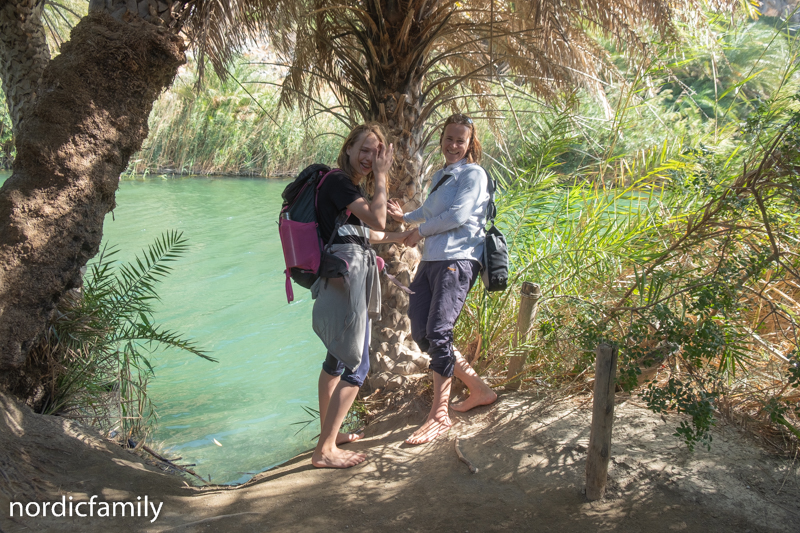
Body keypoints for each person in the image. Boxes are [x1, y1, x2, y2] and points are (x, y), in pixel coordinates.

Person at [387, 113, 498, 445]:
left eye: (460, 140)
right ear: (442, 140)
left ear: (470, 143)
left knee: (439, 331)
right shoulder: (442, 174)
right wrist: (405, 217)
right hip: (432, 260)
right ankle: (479, 389)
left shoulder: (474, 174)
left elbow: (459, 215)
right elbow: (431, 211)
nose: (453, 145)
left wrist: (416, 231)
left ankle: (439, 416)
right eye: (449, 138)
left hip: (458, 260)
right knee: (422, 332)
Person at [311, 123, 410, 468]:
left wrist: (399, 240)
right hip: (347, 279)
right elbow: (379, 220)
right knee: (357, 363)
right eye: (365, 150)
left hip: (340, 274)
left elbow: (356, 233)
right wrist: (382, 176)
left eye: (377, 152)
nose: (370, 158)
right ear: (349, 148)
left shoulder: (341, 186)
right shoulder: (340, 182)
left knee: (335, 360)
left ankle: (330, 435)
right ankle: (324, 451)